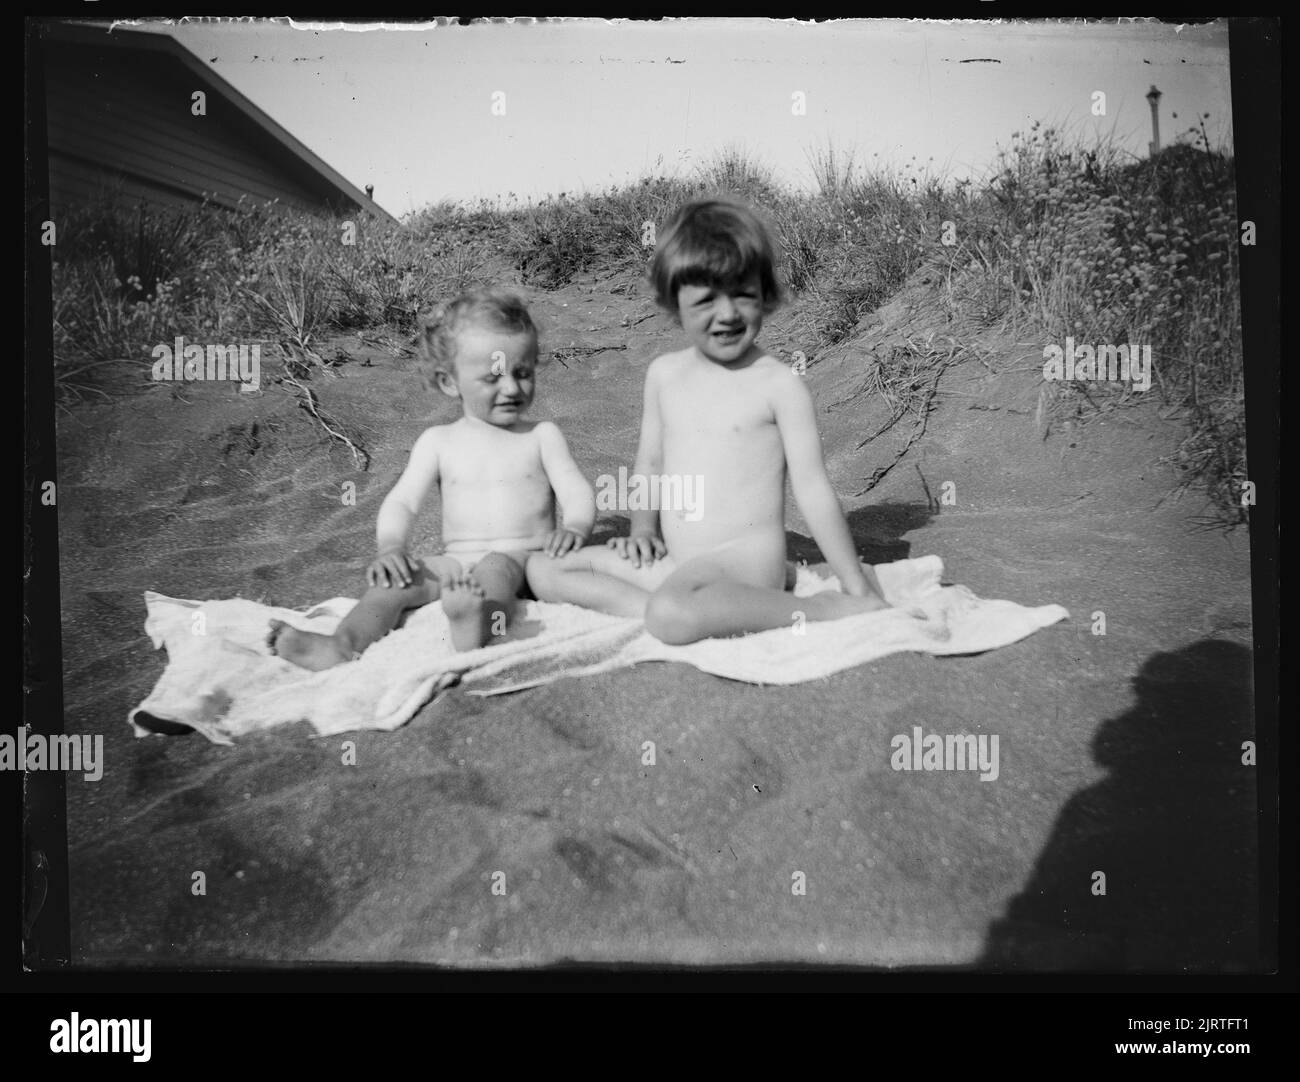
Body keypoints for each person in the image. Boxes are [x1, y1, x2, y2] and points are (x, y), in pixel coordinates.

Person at [526, 199, 889, 645]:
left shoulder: (778, 384)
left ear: (764, 293)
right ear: (676, 304)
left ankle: (820, 609)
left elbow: (813, 489)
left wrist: (851, 582)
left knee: (673, 610)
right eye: (705, 300)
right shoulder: (664, 374)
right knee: (543, 569)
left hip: (747, 564)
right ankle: (683, 611)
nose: (728, 314)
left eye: (742, 293)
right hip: (679, 560)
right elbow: (650, 464)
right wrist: (642, 530)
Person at [269, 290, 594, 667]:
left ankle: (474, 626)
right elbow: (403, 501)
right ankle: (342, 643)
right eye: (493, 378)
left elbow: (575, 489)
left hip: (520, 557)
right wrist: (391, 549)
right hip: (454, 561)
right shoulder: (438, 441)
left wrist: (575, 527)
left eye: (523, 373)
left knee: (494, 572)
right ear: (449, 382)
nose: (511, 388)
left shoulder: (541, 435)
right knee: (393, 584)